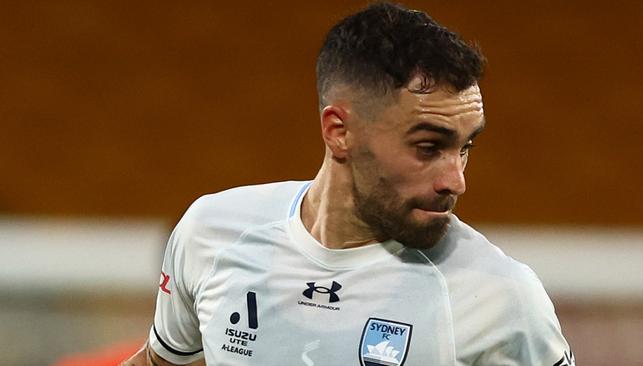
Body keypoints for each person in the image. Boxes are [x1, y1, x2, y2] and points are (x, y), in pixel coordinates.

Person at [122, 2, 575, 365]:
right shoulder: (213, 233)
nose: (454, 180)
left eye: (465, 147)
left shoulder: (501, 298)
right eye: (427, 147)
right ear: (339, 131)